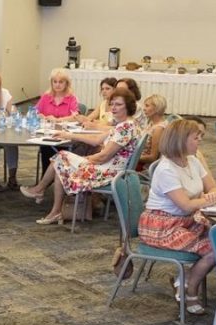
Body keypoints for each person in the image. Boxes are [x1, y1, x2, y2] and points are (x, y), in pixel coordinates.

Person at [138, 119, 216, 315]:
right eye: (196, 138)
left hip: (185, 219)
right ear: (181, 141)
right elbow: (185, 205)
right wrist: (214, 199)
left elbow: (212, 187)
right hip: (162, 225)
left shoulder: (192, 161)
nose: (200, 141)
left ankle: (184, 280)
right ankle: (190, 289)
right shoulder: (166, 169)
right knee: (213, 250)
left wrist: (213, 196)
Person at [22, 88, 141, 224]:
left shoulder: (124, 128)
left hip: (109, 173)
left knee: (62, 158)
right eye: (112, 104)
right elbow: (96, 140)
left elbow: (104, 156)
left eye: (118, 104)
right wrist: (69, 135)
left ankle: (42, 194)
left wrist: (84, 160)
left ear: (128, 106)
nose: (113, 108)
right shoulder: (127, 124)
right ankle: (51, 206)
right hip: (110, 168)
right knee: (62, 161)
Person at [35, 69, 80, 173]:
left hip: (64, 135)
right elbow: (34, 112)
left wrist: (58, 120)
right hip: (46, 134)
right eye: (55, 82)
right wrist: (39, 115)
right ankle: (45, 177)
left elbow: (76, 116)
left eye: (61, 82)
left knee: (57, 149)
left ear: (66, 83)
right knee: (46, 146)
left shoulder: (71, 98)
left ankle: (59, 176)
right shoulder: (46, 97)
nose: (57, 85)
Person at [137, 94, 170, 171]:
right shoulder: (152, 122)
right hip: (141, 157)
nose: (144, 109)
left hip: (145, 165)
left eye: (147, 106)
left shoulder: (158, 129)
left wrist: (132, 158)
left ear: (156, 109)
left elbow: (153, 157)